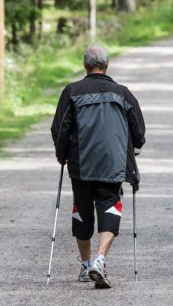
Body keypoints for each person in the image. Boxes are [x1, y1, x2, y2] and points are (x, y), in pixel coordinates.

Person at [51, 43, 146, 289]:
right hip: (113, 164)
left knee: (82, 210)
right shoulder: (123, 93)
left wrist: (62, 155)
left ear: (85, 65)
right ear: (107, 65)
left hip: (81, 164)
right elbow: (139, 134)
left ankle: (85, 266)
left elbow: (60, 129)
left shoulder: (72, 91)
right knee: (110, 206)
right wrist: (134, 145)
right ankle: (100, 260)